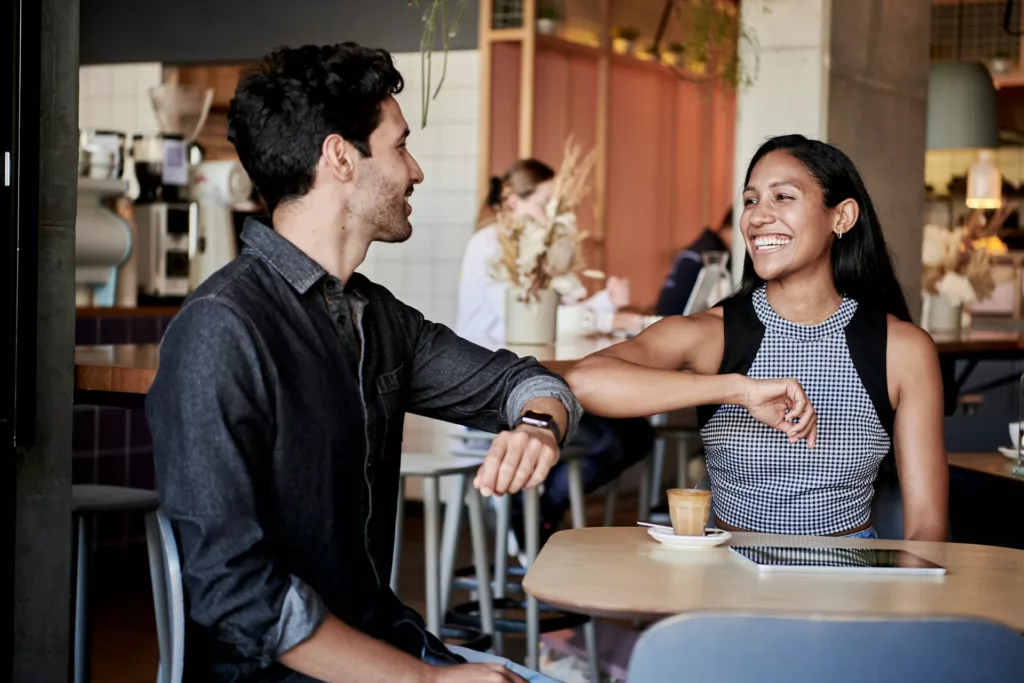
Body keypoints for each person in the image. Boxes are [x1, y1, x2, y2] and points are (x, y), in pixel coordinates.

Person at [146, 43, 582, 683]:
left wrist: (538, 427)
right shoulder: (221, 329)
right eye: (400, 145)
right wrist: (428, 682)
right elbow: (233, 592)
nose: (416, 170)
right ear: (341, 157)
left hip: (395, 643)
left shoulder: (373, 315)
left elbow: (525, 382)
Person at [566, 134, 948, 542]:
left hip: (847, 582)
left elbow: (927, 525)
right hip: (729, 577)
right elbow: (585, 381)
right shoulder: (712, 335)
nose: (757, 217)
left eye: (782, 197)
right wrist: (736, 390)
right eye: (750, 201)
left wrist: (906, 598)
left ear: (843, 217)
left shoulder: (903, 349)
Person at [456, 159, 653, 547]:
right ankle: (532, 518)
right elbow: (528, 315)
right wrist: (604, 308)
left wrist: (605, 302)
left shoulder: (536, 247)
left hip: (535, 382)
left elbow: (556, 310)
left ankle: (545, 507)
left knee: (634, 434)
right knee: (617, 439)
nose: (548, 214)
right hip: (495, 389)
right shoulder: (489, 245)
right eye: (542, 204)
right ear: (512, 200)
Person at [655, 208, 734, 316]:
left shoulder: (702, 247)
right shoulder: (714, 255)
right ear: (728, 227)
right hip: (679, 322)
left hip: (667, 318)